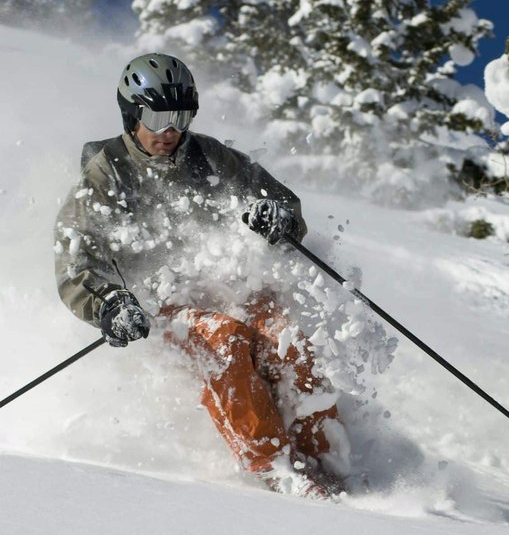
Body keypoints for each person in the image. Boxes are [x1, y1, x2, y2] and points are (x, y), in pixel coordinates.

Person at [54, 52, 348, 500]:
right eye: (158, 116)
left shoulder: (208, 156)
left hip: (227, 285)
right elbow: (76, 262)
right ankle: (279, 469)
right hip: (162, 305)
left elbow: (281, 201)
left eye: (181, 115)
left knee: (285, 337)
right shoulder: (105, 174)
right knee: (225, 339)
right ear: (132, 113)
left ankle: (330, 457)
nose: (170, 130)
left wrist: (278, 217)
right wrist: (109, 303)